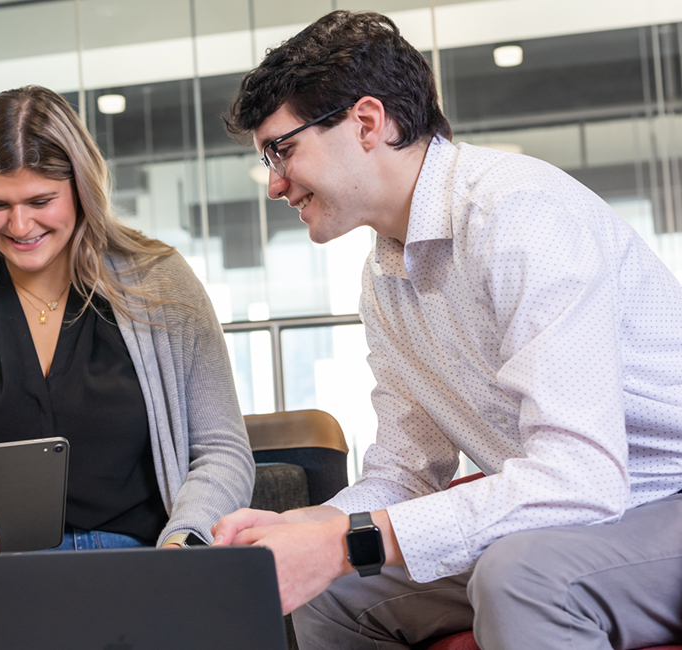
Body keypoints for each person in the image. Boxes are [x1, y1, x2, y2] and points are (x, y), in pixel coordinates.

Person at [212, 10, 682, 650]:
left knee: (520, 578)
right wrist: (312, 528)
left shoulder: (518, 215)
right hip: (578, 514)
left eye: (282, 149)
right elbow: (407, 470)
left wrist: (352, 539)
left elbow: (582, 478)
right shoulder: (386, 276)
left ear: (368, 123)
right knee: (332, 594)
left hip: (660, 495)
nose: (273, 182)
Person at [0, 85, 254, 556]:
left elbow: (222, 452)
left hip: (150, 562)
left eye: (41, 201)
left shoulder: (161, 284)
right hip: (9, 577)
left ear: (81, 189)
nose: (20, 226)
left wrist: (184, 545)